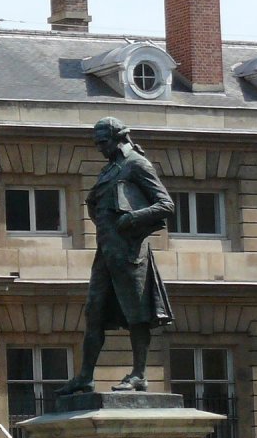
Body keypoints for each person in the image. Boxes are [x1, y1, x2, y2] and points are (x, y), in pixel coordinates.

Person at [55, 117, 174, 395]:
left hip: (131, 254)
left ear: (119, 138)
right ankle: (85, 376)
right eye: (97, 143)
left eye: (103, 142)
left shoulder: (137, 164)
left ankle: (139, 375)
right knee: (93, 313)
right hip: (106, 253)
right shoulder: (110, 169)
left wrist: (133, 219)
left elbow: (165, 204)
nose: (99, 148)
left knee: (137, 315)